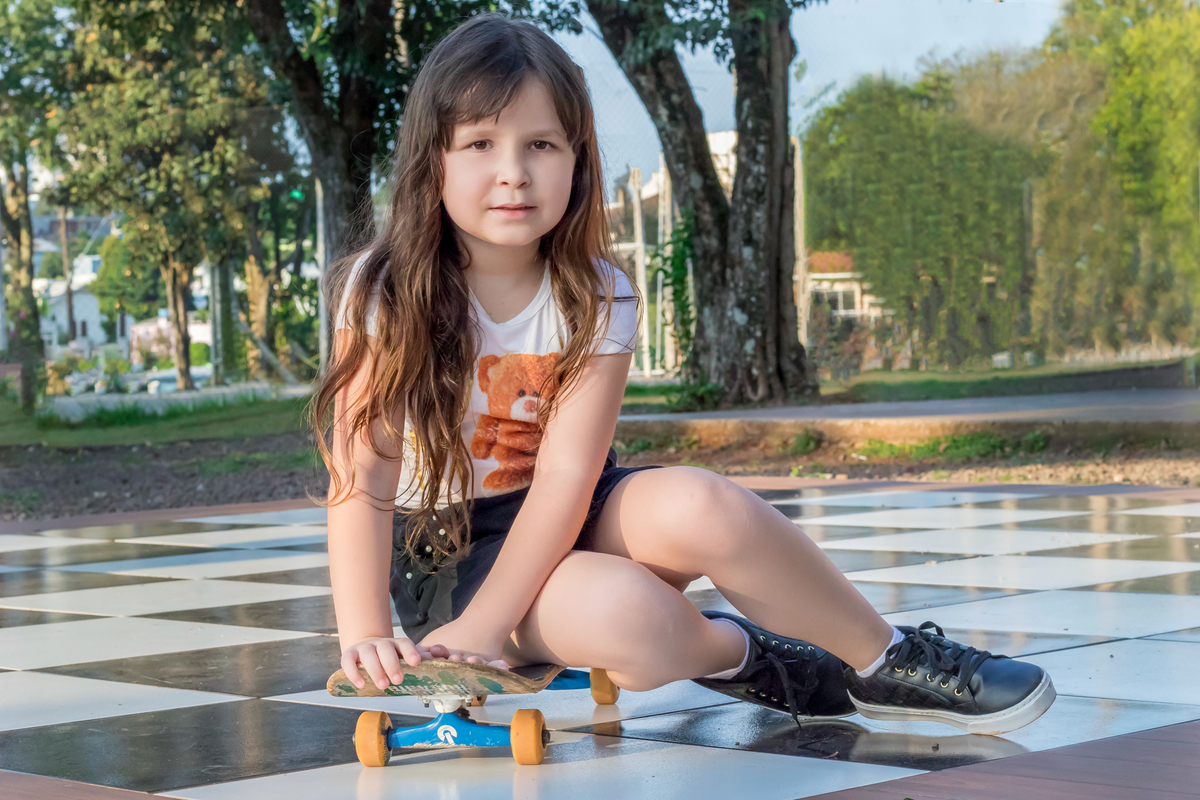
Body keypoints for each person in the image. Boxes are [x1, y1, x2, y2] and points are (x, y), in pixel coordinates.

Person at [311, 11, 1055, 737]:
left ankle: (889, 660)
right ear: (431, 158)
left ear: (578, 157)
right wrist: (370, 630)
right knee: (629, 619)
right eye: (479, 143)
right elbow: (362, 473)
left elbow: (571, 479)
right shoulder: (383, 290)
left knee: (702, 503)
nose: (514, 173)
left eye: (540, 144)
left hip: (570, 514)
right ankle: (747, 652)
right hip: (448, 556)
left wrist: (497, 619)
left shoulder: (598, 291)